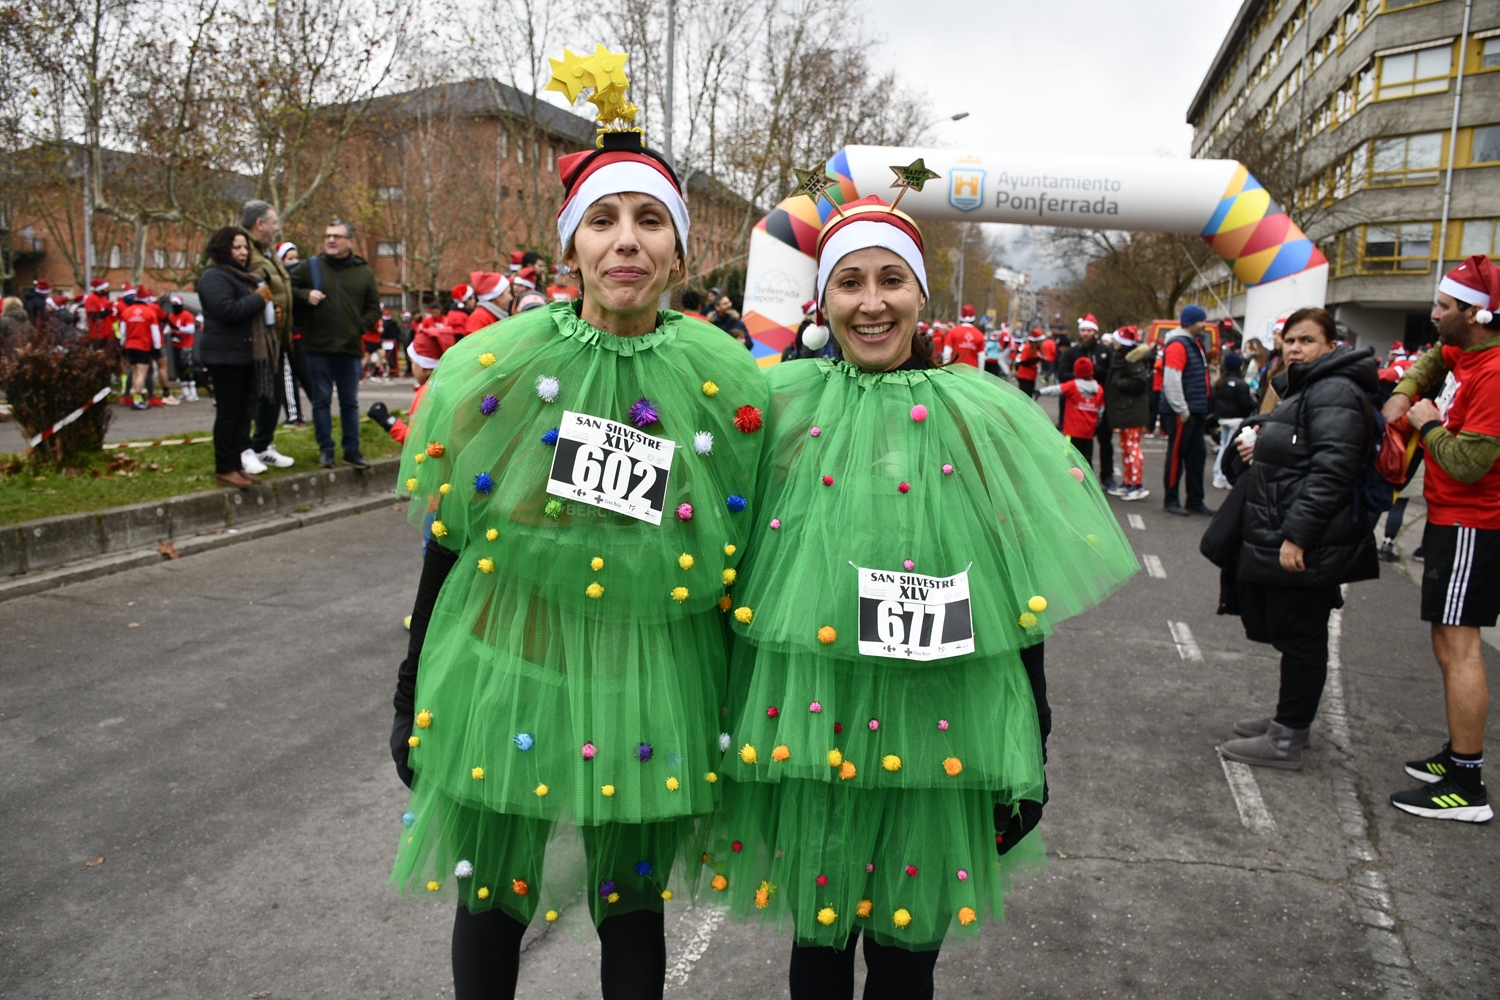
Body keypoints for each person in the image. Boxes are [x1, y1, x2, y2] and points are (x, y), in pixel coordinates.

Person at [388, 62, 769, 999]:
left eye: (650, 223)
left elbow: (742, 554)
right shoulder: (505, 366)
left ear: (679, 251)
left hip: (654, 674)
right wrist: (409, 687)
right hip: (512, 661)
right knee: (492, 898)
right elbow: (452, 534)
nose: (626, 244)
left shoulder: (726, 382)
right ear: (572, 247)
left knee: (632, 906)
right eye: (604, 221)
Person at [705, 193, 1137, 998]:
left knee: (908, 957)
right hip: (811, 713)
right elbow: (727, 556)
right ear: (824, 298)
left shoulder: (976, 416)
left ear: (921, 294)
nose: (871, 303)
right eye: (851, 283)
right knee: (819, 943)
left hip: (937, 718)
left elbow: (1016, 583)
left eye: (892, 280)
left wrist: (1029, 734)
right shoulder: (780, 408)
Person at [1217, 308, 1380, 770]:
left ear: (1331, 347)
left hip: (1311, 539)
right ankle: (1288, 724)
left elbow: (1333, 469)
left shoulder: (1334, 390)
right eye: (1289, 340)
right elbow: (1303, 450)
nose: (1294, 349)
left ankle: (1286, 739)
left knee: (1302, 634)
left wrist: (1297, 537)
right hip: (1295, 531)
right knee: (1293, 632)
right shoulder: (1310, 386)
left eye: (1306, 341)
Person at [1382, 255, 1500, 822]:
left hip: (1474, 524)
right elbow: (1432, 359)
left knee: (1461, 648)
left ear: (1476, 314)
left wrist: (1425, 421)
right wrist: (1406, 394)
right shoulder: (1467, 350)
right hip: (1454, 521)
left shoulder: (1496, 374)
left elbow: (1469, 463)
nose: (1434, 315)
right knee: (1448, 643)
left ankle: (1467, 785)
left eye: (1445, 307)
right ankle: (1459, 755)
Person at [289, 219, 381, 470]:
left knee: (349, 403)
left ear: (350, 242)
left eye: (337, 236)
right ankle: (326, 451)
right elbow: (287, 287)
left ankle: (352, 450)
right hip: (317, 347)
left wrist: (360, 326)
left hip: (350, 349)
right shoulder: (311, 267)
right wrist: (304, 295)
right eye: (328, 235)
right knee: (320, 401)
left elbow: (374, 307)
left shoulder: (363, 272)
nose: (331, 240)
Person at [196, 226, 277, 489]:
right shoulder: (214, 276)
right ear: (223, 248)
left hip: (244, 354)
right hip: (225, 356)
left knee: (244, 413)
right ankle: (224, 467)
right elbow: (227, 310)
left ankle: (236, 464)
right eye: (237, 247)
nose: (243, 252)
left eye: (245, 247)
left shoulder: (242, 276)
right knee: (229, 413)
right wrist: (258, 300)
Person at [240, 201, 298, 472]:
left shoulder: (267, 252)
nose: (277, 228)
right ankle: (245, 449)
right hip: (257, 340)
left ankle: (263, 445)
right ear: (260, 223)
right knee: (252, 396)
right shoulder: (244, 250)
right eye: (274, 223)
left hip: (277, 338)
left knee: (273, 394)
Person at [1160, 305, 1214, 516]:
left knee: (1196, 456)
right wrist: (1182, 410)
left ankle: (1195, 499)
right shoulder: (1178, 345)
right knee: (1176, 457)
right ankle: (1171, 499)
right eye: (1201, 320)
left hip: (1195, 409)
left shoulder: (1194, 344)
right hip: (1183, 411)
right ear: (1190, 322)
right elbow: (1171, 380)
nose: (1204, 324)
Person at [1060, 313, 1115, 490]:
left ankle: (1107, 477)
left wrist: (1095, 373)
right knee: (1073, 445)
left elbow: (1110, 376)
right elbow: (1062, 375)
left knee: (1105, 442)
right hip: (1075, 409)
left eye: (1089, 330)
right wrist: (1080, 377)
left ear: (1096, 332)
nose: (1085, 333)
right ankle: (1072, 477)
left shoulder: (1106, 352)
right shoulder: (1072, 352)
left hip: (1099, 406)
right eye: (1083, 330)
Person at [1104, 325, 1152, 501]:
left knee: (1132, 448)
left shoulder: (1133, 360)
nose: (1114, 344)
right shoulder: (1124, 358)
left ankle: (1137, 484)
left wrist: (1118, 383)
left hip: (1132, 412)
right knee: (1126, 447)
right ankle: (1128, 481)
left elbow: (1139, 383)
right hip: (1126, 411)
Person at [1038, 356, 1105, 470]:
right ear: (1091, 372)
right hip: (1088, 434)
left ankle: (1069, 484)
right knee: (1087, 462)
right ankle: (1086, 485)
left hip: (1072, 432)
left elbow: (1056, 389)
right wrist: (1096, 425)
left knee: (1069, 461)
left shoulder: (1072, 386)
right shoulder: (1099, 389)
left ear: (1076, 372)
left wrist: (1040, 391)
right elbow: (1101, 410)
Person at [1210, 353, 1254, 490]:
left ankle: (1218, 474)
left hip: (1222, 418)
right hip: (1236, 419)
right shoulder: (1241, 385)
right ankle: (1224, 476)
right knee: (1229, 448)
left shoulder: (1219, 383)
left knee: (1224, 445)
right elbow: (1246, 403)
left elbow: (1212, 400)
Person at [117, 288, 161, 411]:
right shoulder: (150, 312)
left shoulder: (127, 312)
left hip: (130, 346)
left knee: (135, 372)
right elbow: (155, 332)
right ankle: (138, 399)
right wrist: (157, 348)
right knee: (142, 373)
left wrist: (123, 345)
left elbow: (123, 332)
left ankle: (134, 397)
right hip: (143, 346)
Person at [165, 295, 202, 403]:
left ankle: (193, 393)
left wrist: (177, 329)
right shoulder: (171, 316)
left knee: (188, 368)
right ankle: (185, 392)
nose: (174, 307)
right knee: (180, 369)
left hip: (186, 345)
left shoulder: (187, 315)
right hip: (176, 345)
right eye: (173, 305)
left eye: (176, 304)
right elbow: (167, 328)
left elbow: (190, 330)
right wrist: (169, 332)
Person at [1015, 327, 1047, 397]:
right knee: (1025, 398)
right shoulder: (1028, 347)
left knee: (1029, 397)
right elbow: (1023, 362)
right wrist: (1037, 359)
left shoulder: (1036, 349)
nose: (1042, 342)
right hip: (1025, 376)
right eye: (1041, 340)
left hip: (1031, 376)